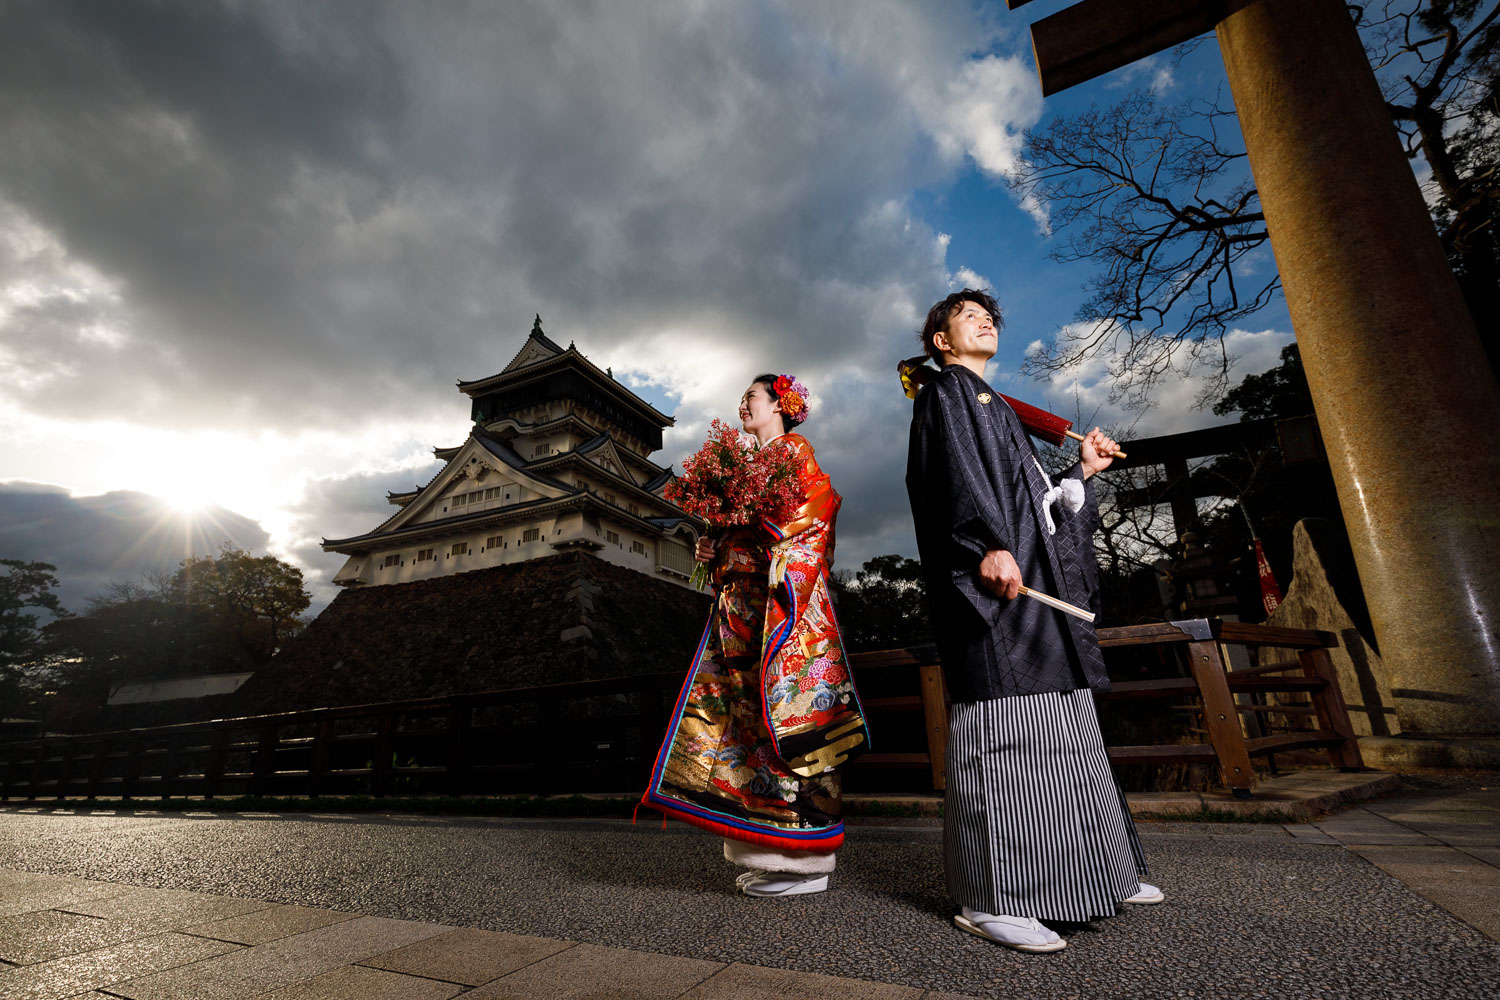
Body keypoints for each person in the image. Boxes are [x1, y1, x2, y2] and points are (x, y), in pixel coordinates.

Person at [904, 289, 1160, 954]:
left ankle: (1101, 874)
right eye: (965, 315)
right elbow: (950, 483)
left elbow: (1041, 515)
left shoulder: (1002, 414)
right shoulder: (946, 395)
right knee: (1005, 742)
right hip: (993, 597)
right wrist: (981, 543)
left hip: (1034, 590)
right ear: (939, 340)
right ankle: (992, 898)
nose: (984, 319)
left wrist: (1081, 471)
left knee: (1070, 737)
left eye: (989, 314)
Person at [641, 373, 869, 897]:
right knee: (745, 721)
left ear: (780, 405)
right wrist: (713, 548)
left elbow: (817, 517)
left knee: (788, 722)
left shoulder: (795, 451)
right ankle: (769, 850)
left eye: (753, 397)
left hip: (781, 607)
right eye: (741, 398)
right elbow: (734, 537)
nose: (744, 404)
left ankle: (806, 859)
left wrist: (762, 536)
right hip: (741, 608)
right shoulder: (744, 467)